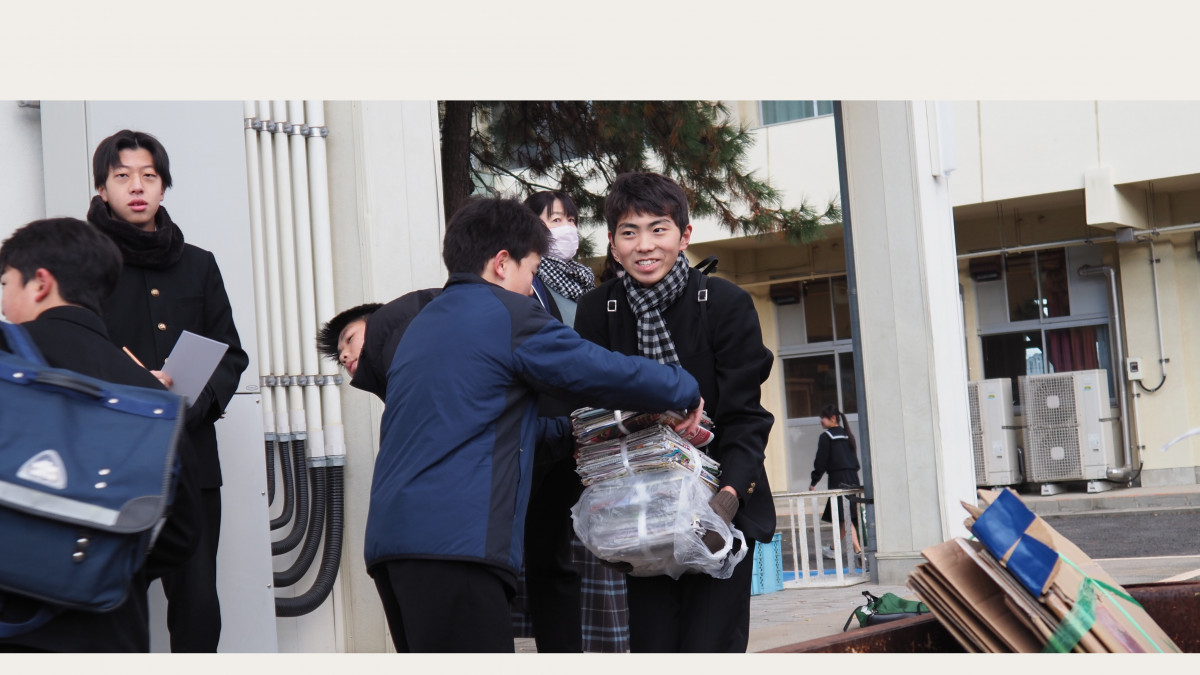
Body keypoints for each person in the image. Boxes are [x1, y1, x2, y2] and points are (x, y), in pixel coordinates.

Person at [362, 196, 704, 652]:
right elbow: (599, 370)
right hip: (457, 546)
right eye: (532, 271)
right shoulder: (508, 315)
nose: (532, 288)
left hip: (393, 547)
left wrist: (575, 433)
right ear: (503, 263)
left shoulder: (422, 325)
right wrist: (682, 387)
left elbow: (474, 426)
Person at [573, 172, 776, 653]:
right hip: (637, 515)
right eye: (629, 232)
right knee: (653, 646)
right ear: (613, 243)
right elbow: (588, 415)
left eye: (658, 229)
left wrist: (726, 502)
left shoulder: (723, 304)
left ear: (684, 235)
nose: (645, 245)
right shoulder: (597, 310)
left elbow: (746, 418)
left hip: (718, 507)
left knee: (709, 645)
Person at [0, 217, 201, 652]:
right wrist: (95, 561)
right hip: (109, 631)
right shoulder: (152, 395)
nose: (3, 303)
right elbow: (181, 533)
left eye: (5, 284)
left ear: (40, 283)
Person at [87, 129, 249, 652]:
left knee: (198, 604)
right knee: (109, 599)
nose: (137, 187)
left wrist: (187, 406)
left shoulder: (198, 263)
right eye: (122, 176)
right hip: (110, 462)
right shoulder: (83, 267)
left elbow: (230, 355)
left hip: (191, 460)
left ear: (163, 186)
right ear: (102, 188)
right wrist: (135, 389)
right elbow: (71, 352)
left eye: (149, 176)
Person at [809, 404, 863, 559]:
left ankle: (858, 552)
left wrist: (814, 481)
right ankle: (833, 548)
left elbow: (821, 462)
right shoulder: (848, 435)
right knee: (845, 515)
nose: (821, 421)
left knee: (845, 515)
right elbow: (855, 461)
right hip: (853, 477)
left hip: (838, 479)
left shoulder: (826, 437)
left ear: (832, 418)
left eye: (823, 418)